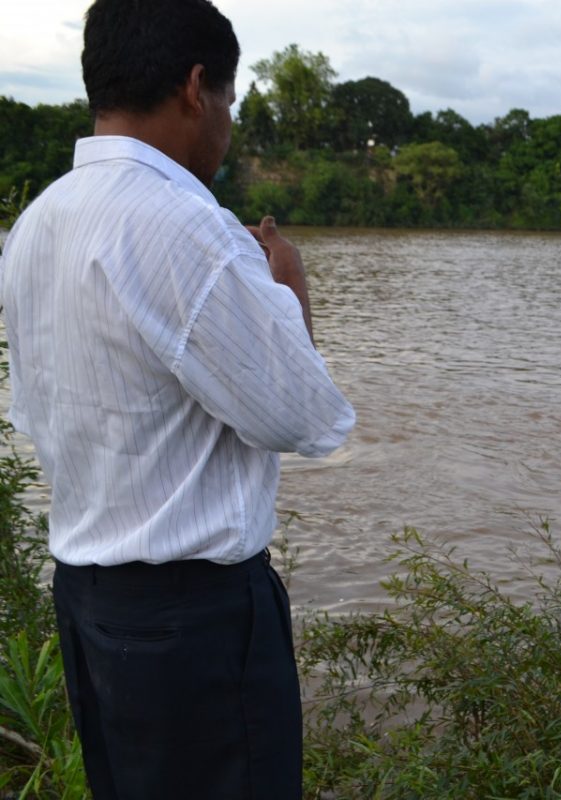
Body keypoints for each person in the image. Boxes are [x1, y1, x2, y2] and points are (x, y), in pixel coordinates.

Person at [0, 0, 355, 797]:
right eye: (228, 101)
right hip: (194, 623)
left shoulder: (36, 225)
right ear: (197, 88)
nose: (227, 124)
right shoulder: (188, 226)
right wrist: (289, 288)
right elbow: (305, 416)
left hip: (92, 604)